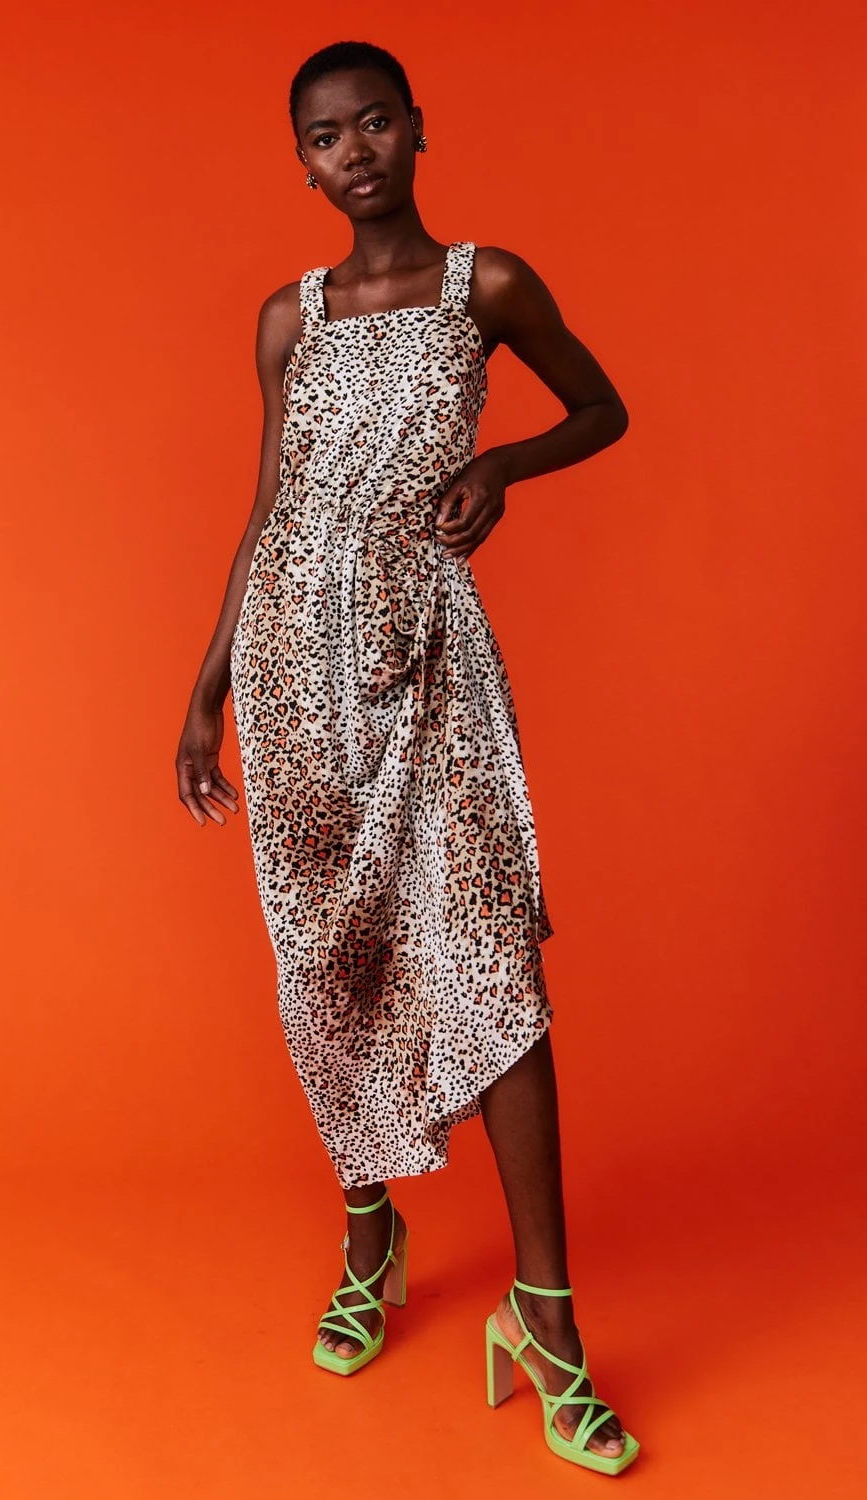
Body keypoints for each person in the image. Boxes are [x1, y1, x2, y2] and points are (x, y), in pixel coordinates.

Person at [175, 39, 637, 1475]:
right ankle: (370, 1233)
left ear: (418, 129)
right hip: (295, 675)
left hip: (429, 666)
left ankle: (547, 1322)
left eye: (375, 122)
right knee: (335, 960)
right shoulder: (287, 318)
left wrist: (501, 467)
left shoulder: (484, 286)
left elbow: (604, 408)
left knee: (492, 961)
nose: (355, 150)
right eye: (326, 136)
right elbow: (270, 511)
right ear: (303, 164)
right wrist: (207, 686)